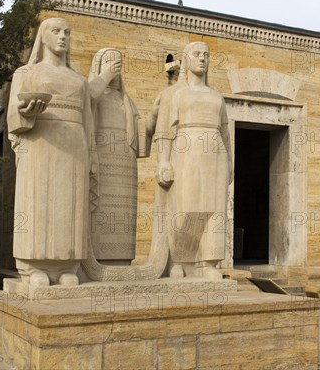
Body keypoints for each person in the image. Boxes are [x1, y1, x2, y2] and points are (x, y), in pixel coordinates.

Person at [7, 18, 115, 288]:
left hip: (75, 147)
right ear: (43, 37)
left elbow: (88, 120)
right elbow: (13, 115)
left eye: (67, 32)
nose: (63, 37)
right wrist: (26, 113)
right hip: (41, 144)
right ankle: (34, 266)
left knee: (70, 205)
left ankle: (67, 265)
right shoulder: (26, 73)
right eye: (56, 31)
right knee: (39, 203)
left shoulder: (78, 80)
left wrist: (92, 153)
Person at [153, 41, 233, 279]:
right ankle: (179, 259)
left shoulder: (216, 97)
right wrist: (163, 161)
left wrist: (230, 163)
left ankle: (207, 262)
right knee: (185, 207)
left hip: (215, 154)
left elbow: (226, 133)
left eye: (206, 55)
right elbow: (165, 131)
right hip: (186, 150)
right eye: (197, 54)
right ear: (186, 59)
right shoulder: (176, 95)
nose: (202, 59)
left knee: (214, 210)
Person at [87, 48, 150, 265]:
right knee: (101, 207)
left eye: (118, 61)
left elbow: (140, 129)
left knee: (124, 211)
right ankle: (97, 258)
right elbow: (86, 105)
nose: (115, 64)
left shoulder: (127, 100)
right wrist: (104, 76)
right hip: (102, 157)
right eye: (109, 60)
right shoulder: (92, 95)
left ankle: (123, 258)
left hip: (125, 163)